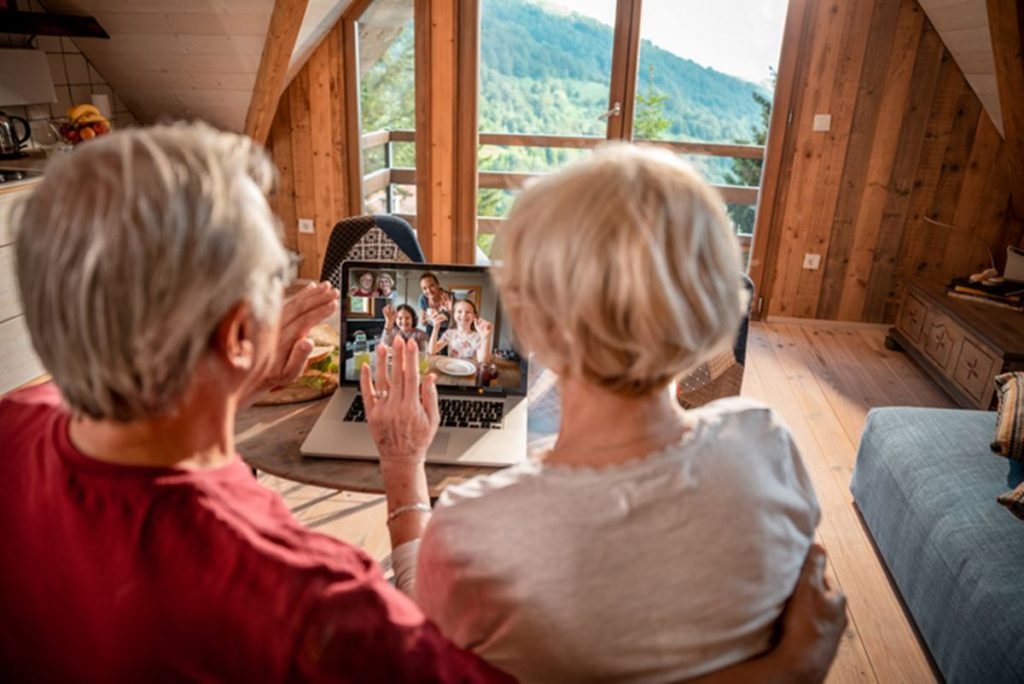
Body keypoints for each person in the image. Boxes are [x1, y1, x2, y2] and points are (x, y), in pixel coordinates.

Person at [1, 123, 844, 682]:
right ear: (237, 332)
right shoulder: (323, 611)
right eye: (273, 284)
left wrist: (231, 384)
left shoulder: (11, 429)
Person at [362, 144, 844, 683]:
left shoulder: (475, 528)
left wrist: (404, 469)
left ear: (530, 323)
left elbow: (423, 648)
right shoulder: (766, 442)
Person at [428, 299, 493, 364]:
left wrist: (486, 337)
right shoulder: (449, 333)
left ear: (474, 316)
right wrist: (436, 327)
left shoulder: (478, 337)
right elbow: (432, 351)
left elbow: (483, 361)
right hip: (451, 370)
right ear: (454, 315)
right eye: (459, 311)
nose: (464, 314)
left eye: (468, 312)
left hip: (470, 372)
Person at [418, 272, 452, 338]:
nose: (429, 290)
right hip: (431, 327)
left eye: (432, 286)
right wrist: (423, 321)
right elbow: (423, 321)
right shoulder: (423, 298)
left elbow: (456, 319)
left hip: (447, 329)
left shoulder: (449, 296)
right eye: (424, 288)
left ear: (438, 285)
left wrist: (450, 310)